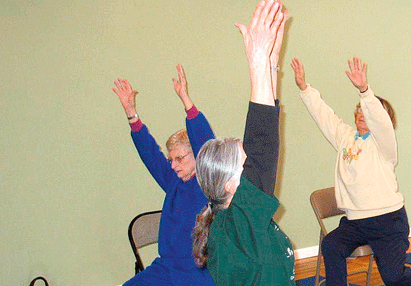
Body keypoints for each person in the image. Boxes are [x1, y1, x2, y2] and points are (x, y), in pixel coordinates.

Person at [291, 57, 411, 286]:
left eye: (366, 111)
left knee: (393, 277)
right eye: (359, 109)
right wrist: (304, 88)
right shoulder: (346, 138)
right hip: (356, 222)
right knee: (331, 245)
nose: (362, 113)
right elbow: (325, 117)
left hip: (388, 222)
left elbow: (379, 121)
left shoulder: (384, 145)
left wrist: (364, 91)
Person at [190, 1, 294, 285]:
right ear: (229, 185)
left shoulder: (234, 222)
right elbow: (264, 144)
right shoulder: (238, 225)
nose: (252, 164)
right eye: (244, 162)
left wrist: (271, 63)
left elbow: (266, 132)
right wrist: (257, 62)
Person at [111, 64, 216, 286]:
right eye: (171, 159)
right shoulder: (173, 181)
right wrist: (131, 113)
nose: (174, 165)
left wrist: (187, 101)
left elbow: (206, 141)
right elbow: (149, 153)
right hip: (167, 269)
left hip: (200, 272)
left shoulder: (208, 183)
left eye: (180, 158)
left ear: (196, 156)